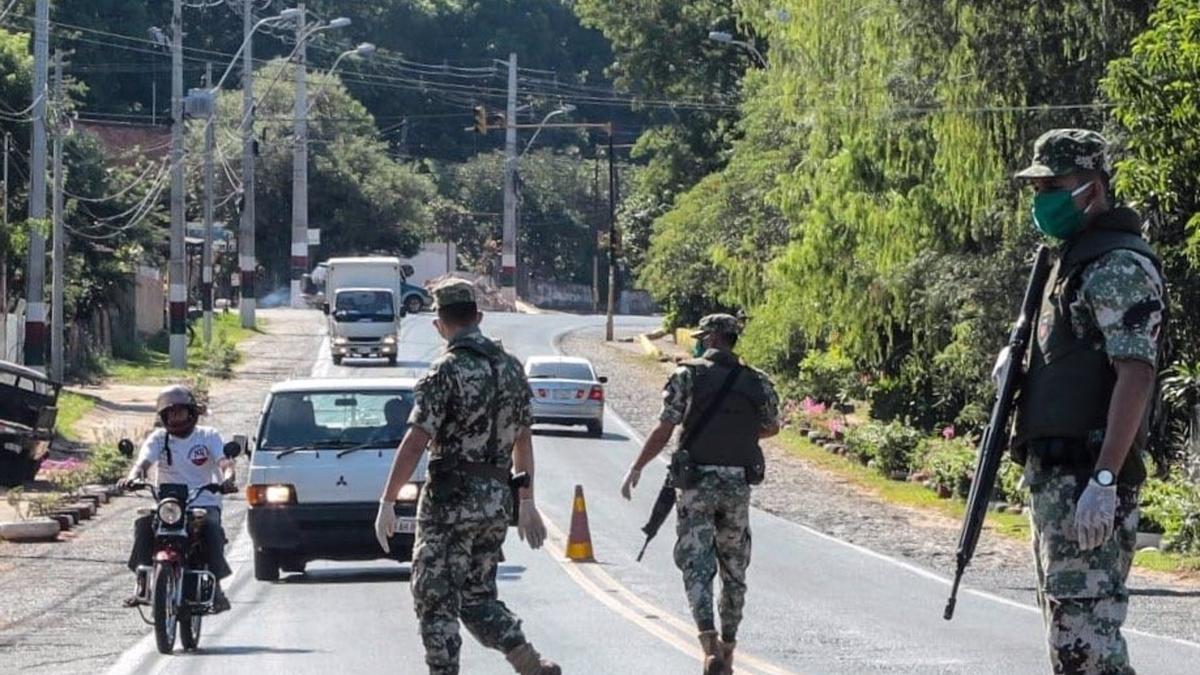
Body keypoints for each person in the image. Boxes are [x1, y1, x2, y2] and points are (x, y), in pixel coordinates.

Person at [1011, 128, 1166, 675]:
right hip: (1058, 480)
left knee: (1089, 648)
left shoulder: (1117, 264)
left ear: (1093, 189)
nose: (1041, 199)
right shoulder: (1071, 261)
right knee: (1069, 638)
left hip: (1088, 480)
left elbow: (1136, 375)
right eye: (1037, 187)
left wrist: (1104, 480)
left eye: (1054, 184)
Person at [374, 279, 559, 675]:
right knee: (477, 597)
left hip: (450, 502)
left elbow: (416, 440)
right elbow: (522, 438)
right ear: (477, 316)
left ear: (439, 323)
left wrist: (387, 500)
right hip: (496, 501)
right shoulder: (511, 368)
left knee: (434, 596)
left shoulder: (446, 370)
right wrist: (526, 501)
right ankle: (529, 662)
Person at [620, 313, 780, 675]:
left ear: (709, 339)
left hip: (696, 484)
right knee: (734, 568)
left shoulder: (687, 375)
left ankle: (707, 644)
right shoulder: (758, 381)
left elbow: (665, 429)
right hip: (737, 486)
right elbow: (771, 426)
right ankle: (729, 647)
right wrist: (736, 434)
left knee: (697, 564)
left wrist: (637, 466)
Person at [118, 384, 236, 612]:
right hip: (169, 503)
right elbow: (142, 464)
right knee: (143, 524)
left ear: (191, 413)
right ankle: (142, 584)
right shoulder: (159, 439)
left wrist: (228, 479)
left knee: (211, 526)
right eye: (171, 413)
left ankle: (218, 590)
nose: (176, 417)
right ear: (164, 416)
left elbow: (224, 463)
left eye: (180, 411)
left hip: (204, 500)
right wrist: (131, 478)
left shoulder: (207, 436)